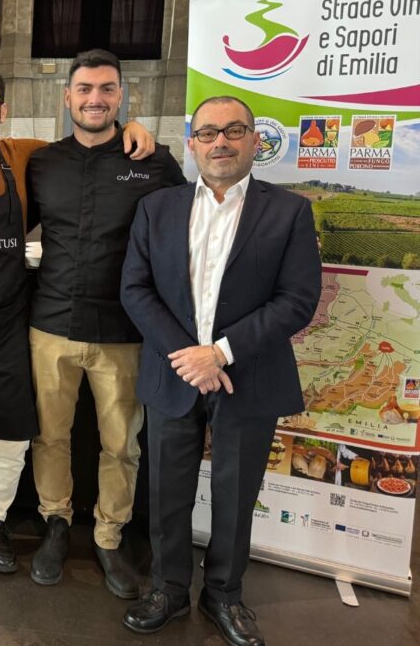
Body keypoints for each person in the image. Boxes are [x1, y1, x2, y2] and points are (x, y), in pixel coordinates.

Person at [0, 64, 155, 581]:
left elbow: (88, 139)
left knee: (15, 433)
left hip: (6, 324)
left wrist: (132, 128)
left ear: (2, 109)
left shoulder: (23, 156)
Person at [119, 96, 322, 646]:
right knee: (167, 490)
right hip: (174, 373)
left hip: (248, 374)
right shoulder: (157, 209)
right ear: (192, 144)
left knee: (236, 494)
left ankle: (224, 596)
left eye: (234, 131)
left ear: (255, 140)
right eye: (208, 133)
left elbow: (298, 299)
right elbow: (135, 289)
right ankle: (166, 587)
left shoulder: (288, 212)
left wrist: (222, 353)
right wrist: (190, 357)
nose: (220, 142)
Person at [26, 49, 185, 595]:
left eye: (107, 89)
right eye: (85, 89)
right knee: (51, 436)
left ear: (122, 97)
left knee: (121, 443)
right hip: (49, 322)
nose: (96, 99)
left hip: (124, 329)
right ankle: (55, 522)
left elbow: (183, 235)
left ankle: (109, 537)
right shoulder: (43, 162)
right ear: (67, 96)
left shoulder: (154, 161)